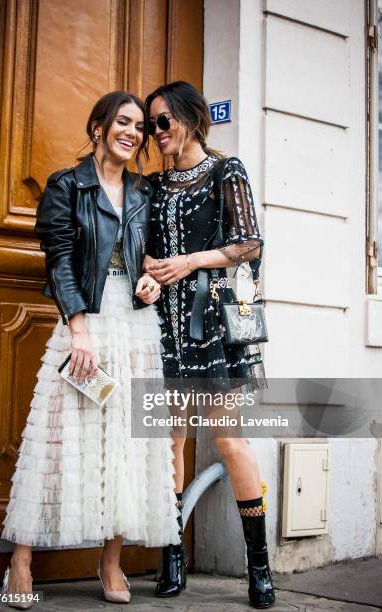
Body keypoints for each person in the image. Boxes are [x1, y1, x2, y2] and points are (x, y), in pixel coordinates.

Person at [0, 91, 180, 609]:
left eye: (141, 126)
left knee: (127, 440)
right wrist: (78, 329)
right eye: (123, 121)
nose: (133, 132)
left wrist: (153, 283)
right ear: (98, 126)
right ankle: (21, 558)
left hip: (136, 328)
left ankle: (111, 561)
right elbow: (59, 260)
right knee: (56, 440)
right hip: (85, 320)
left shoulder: (145, 191)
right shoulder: (66, 185)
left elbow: (150, 259)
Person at [144, 81, 275, 609]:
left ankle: (259, 569)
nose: (156, 133)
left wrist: (191, 261)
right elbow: (139, 249)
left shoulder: (227, 171)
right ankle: (172, 557)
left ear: (190, 119)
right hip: (166, 328)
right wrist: (149, 270)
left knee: (230, 442)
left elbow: (250, 244)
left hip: (216, 330)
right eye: (152, 123)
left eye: (162, 121)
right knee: (171, 442)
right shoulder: (150, 187)